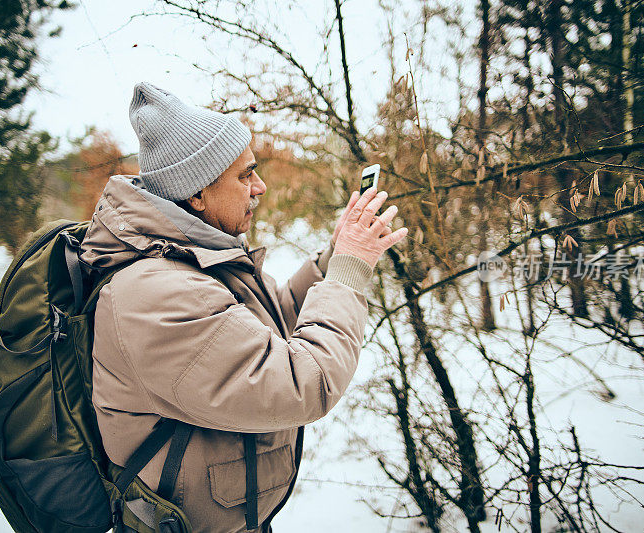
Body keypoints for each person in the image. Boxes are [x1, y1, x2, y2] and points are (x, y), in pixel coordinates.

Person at [79, 82, 407, 533]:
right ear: (196, 194)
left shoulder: (198, 257)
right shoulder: (152, 294)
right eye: (245, 175)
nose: (261, 186)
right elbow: (300, 383)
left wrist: (334, 257)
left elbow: (275, 316)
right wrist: (350, 272)